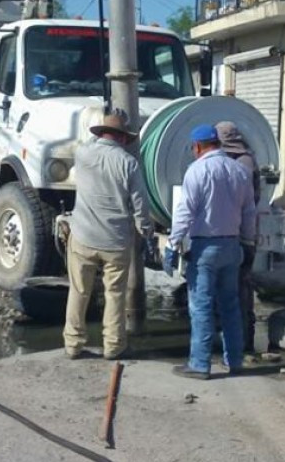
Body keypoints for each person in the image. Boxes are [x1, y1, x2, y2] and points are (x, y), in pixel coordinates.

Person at [165, 124, 256, 380]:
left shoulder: (197, 170)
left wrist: (172, 244)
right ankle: (235, 360)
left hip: (205, 247)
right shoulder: (240, 171)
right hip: (233, 246)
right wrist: (248, 243)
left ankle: (200, 364)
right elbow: (249, 211)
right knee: (231, 305)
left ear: (197, 147)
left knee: (202, 307)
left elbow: (186, 211)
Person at [64, 111, 152, 360]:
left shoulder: (83, 154)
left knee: (79, 290)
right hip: (115, 240)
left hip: (82, 236)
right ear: (123, 138)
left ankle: (73, 344)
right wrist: (145, 229)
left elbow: (90, 143)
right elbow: (140, 204)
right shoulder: (129, 163)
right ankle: (114, 346)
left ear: (101, 133)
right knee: (114, 294)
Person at [215, 121, 261, 355]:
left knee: (224, 290)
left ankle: (230, 344)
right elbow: (255, 200)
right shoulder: (248, 160)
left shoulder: (222, 164)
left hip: (228, 236)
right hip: (247, 236)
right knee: (242, 290)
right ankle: (244, 344)